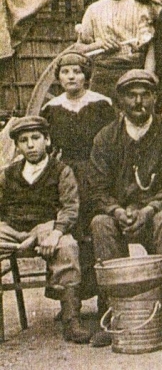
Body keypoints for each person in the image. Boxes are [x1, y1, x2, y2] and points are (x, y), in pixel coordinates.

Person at [88, 69, 162, 349]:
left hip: (154, 213)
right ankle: (113, 310)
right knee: (100, 223)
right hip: (120, 214)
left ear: (155, 98)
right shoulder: (106, 138)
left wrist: (149, 210)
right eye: (131, 95)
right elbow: (97, 188)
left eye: (145, 94)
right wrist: (116, 210)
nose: (139, 102)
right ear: (120, 100)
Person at [0, 116, 90, 344]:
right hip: (12, 228)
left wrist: (55, 232)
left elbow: (70, 208)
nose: (30, 145)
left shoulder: (61, 171)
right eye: (23, 140)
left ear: (47, 140)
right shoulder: (8, 174)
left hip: (47, 227)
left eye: (36, 138)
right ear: (18, 146)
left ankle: (71, 318)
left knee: (68, 247)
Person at [41, 52, 115, 299]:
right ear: (58, 77)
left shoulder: (102, 104)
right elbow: (48, 149)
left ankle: (106, 297)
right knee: (69, 233)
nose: (71, 76)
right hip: (65, 176)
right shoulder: (51, 108)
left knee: (96, 231)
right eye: (65, 72)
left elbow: (112, 143)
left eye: (77, 71)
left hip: (96, 172)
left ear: (86, 76)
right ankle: (70, 300)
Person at [77, 0, 155, 100]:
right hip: (102, 76)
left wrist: (148, 76)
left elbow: (151, 46)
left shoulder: (142, 7)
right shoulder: (94, 10)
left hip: (133, 74)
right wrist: (98, 44)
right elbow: (79, 49)